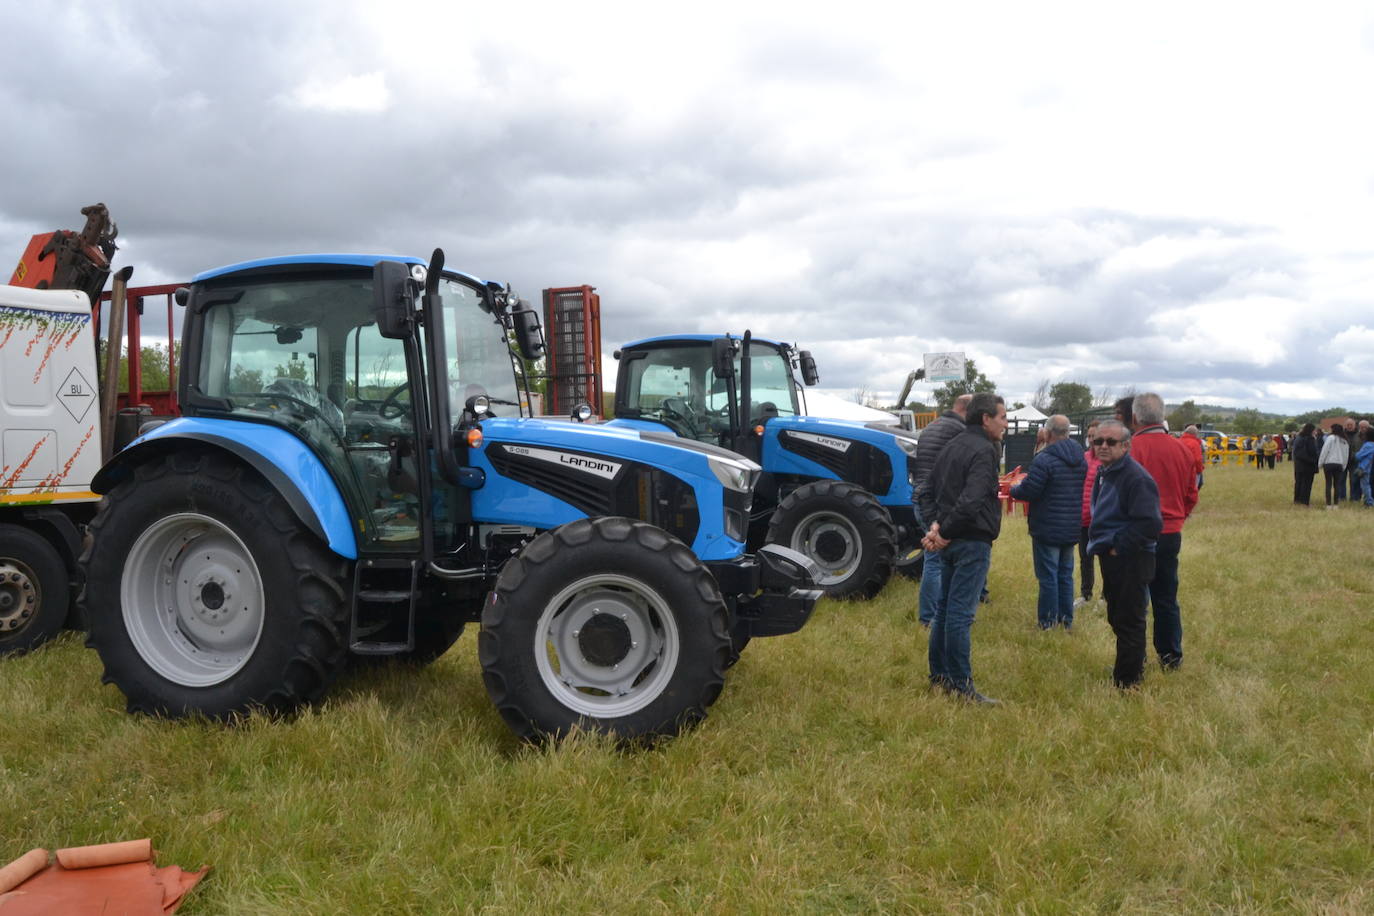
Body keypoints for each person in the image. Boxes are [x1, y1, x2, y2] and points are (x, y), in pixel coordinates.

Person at [921, 392, 1007, 704]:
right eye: (1003, 417)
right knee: (958, 614)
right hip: (970, 540)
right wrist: (941, 530)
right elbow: (972, 500)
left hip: (953, 537)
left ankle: (940, 677)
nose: (1006, 424)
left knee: (944, 610)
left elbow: (926, 491)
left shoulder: (951, 445)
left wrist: (936, 527)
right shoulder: (984, 450)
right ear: (985, 418)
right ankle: (960, 686)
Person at [1087, 419, 1162, 688]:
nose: (1103, 446)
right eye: (1098, 441)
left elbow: (1150, 523)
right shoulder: (1107, 471)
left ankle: (1128, 681)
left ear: (1126, 445)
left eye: (1111, 442)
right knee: (1118, 614)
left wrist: (1119, 546)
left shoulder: (1135, 476)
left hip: (1131, 557)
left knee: (1129, 618)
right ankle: (1130, 664)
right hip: (1112, 555)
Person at [1128, 393, 1198, 671]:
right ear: (1161, 416)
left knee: (1135, 600)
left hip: (1138, 533)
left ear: (1135, 418)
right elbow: (1191, 493)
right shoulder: (1182, 448)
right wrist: (1179, 516)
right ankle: (1171, 656)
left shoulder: (1132, 449)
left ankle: (1136, 658)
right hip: (1170, 532)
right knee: (1167, 597)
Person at [1010, 415, 1086, 629]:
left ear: (1049, 432)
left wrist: (1014, 489)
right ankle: (1066, 620)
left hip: (1047, 525)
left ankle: (1048, 621)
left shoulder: (1044, 459)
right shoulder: (1080, 456)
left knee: (1048, 576)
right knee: (1065, 575)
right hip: (1071, 524)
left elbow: (1031, 490)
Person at [912, 393, 972, 626]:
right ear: (967, 411)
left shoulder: (930, 428)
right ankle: (932, 617)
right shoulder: (959, 432)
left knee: (934, 559)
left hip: (920, 498)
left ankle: (931, 616)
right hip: (938, 502)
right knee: (938, 560)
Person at [1077, 419, 1103, 608]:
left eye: (1095, 436)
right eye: (1089, 436)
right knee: (1085, 558)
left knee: (1104, 559)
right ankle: (1086, 594)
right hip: (1082, 517)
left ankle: (1105, 596)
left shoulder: (1106, 459)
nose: (1092, 440)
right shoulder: (1084, 457)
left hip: (1100, 519)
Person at [1319, 423, 1349, 509]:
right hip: (1339, 464)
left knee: (1328, 484)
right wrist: (1344, 465)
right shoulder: (1344, 440)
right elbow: (1345, 455)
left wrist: (1320, 463)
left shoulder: (1330, 438)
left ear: (1333, 429)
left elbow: (1324, 451)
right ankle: (1336, 505)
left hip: (1329, 463)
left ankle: (1328, 505)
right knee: (1337, 485)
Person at [1290, 423, 1319, 505]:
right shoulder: (1308, 439)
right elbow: (1304, 453)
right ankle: (1304, 501)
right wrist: (1313, 460)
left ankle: (1297, 500)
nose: (1315, 431)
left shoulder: (1299, 438)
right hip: (1307, 466)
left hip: (1299, 465)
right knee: (1306, 484)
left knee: (1299, 483)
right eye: (1314, 430)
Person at [1181, 424, 1206, 490]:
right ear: (1195, 433)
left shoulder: (1178, 441)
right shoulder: (1195, 443)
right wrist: (1199, 471)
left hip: (1180, 470)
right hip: (1193, 471)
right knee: (1193, 489)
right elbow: (1197, 460)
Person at [1356, 427, 1374, 508]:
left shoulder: (1368, 445)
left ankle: (1369, 502)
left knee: (1365, 486)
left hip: (1364, 468)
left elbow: (1358, 456)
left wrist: (1357, 453)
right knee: (1367, 485)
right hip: (1369, 467)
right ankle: (1368, 501)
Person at [1344, 420, 1360, 500]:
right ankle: (1341, 497)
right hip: (1343, 460)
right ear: (1345, 425)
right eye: (1348, 425)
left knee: (1354, 480)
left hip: (1354, 460)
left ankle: (1353, 498)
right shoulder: (1342, 434)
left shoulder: (1359, 434)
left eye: (1351, 425)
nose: (1349, 426)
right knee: (1341, 480)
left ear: (1354, 425)